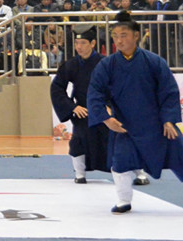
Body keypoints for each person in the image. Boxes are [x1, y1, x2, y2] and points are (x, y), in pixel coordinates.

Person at [87, 11, 183, 214]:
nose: (119, 40)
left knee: (180, 157)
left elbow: (169, 92)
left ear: (136, 35)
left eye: (124, 35)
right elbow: (95, 93)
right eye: (115, 36)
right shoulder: (107, 65)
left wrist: (169, 120)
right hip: (125, 127)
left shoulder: (154, 62)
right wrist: (106, 119)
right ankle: (124, 201)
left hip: (157, 126)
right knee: (120, 162)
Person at [50, 28, 109, 183]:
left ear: (93, 43)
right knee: (78, 142)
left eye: (83, 43)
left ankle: (139, 173)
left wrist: (111, 107)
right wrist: (72, 107)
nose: (79, 47)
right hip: (83, 110)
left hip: (104, 111)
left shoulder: (106, 63)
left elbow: (119, 86)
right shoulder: (71, 65)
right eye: (77, 43)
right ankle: (80, 174)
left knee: (121, 140)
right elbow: (57, 88)